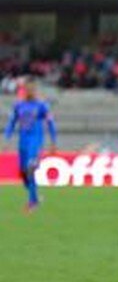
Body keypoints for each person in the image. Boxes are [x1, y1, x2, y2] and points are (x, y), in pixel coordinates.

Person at [4, 79, 57, 212]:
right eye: (27, 89)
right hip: (23, 142)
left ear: (36, 91)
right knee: (23, 173)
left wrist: (53, 141)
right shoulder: (18, 106)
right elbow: (12, 122)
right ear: (24, 91)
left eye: (32, 89)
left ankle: (32, 202)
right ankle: (35, 196)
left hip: (35, 141)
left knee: (30, 168)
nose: (30, 92)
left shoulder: (42, 106)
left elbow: (50, 123)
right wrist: (7, 137)